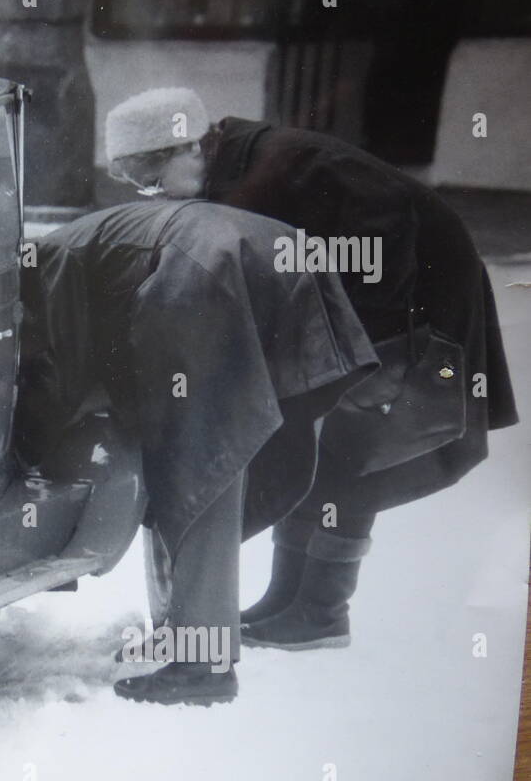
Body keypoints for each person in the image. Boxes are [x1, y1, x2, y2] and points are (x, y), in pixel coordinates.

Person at [102, 88, 518, 650]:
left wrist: (366, 344)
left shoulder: (291, 162)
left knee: (358, 446)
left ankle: (322, 612)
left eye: (152, 181)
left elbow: (387, 233)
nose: (153, 197)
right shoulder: (232, 166)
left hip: (418, 299)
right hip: (356, 307)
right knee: (312, 438)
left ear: (186, 149)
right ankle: (286, 598)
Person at [17, 200, 377, 705]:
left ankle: (203, 666)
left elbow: (66, 375)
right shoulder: (71, 243)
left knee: (197, 463)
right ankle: (188, 627)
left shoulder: (40, 265)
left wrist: (24, 449)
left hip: (207, 268)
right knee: (216, 446)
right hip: (285, 253)